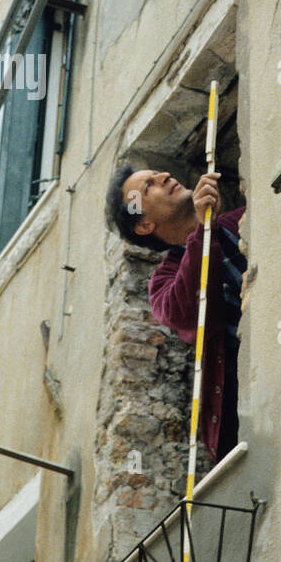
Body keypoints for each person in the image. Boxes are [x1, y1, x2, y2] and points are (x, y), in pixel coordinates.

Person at [105, 164, 246, 460]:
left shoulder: (241, 221)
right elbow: (186, 308)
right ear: (143, 226)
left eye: (158, 173)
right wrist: (202, 229)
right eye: (149, 187)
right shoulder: (162, 283)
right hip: (246, 414)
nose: (165, 177)